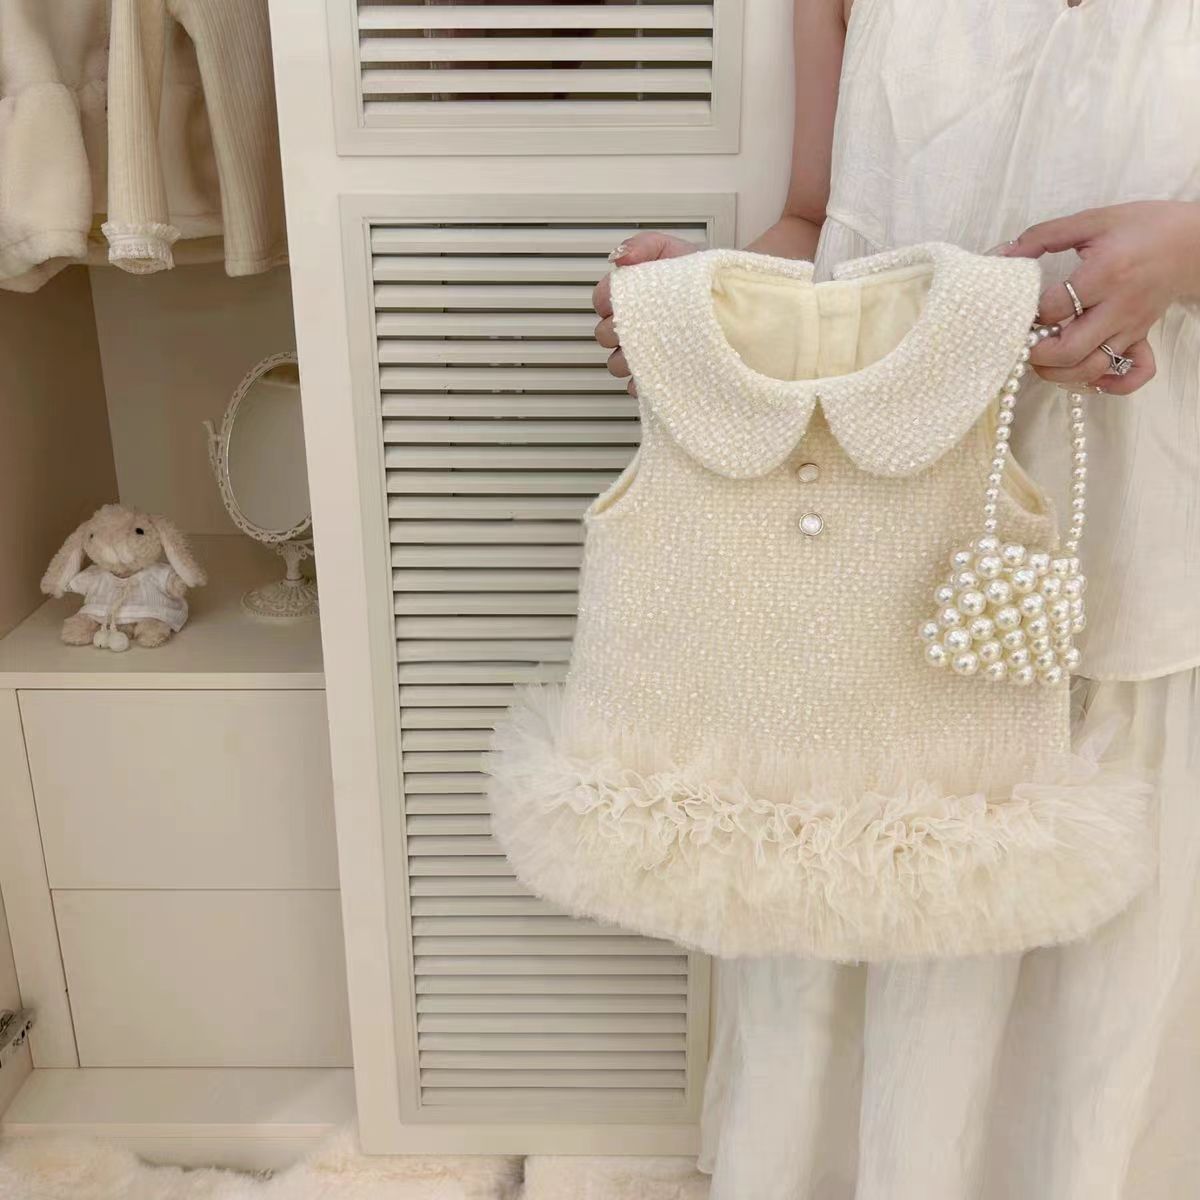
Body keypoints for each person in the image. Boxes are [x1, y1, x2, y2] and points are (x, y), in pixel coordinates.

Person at [591, 3, 1200, 1198]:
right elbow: (817, 220)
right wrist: (702, 314)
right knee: (876, 898)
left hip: (1144, 529)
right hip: (875, 550)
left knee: (1114, 975)